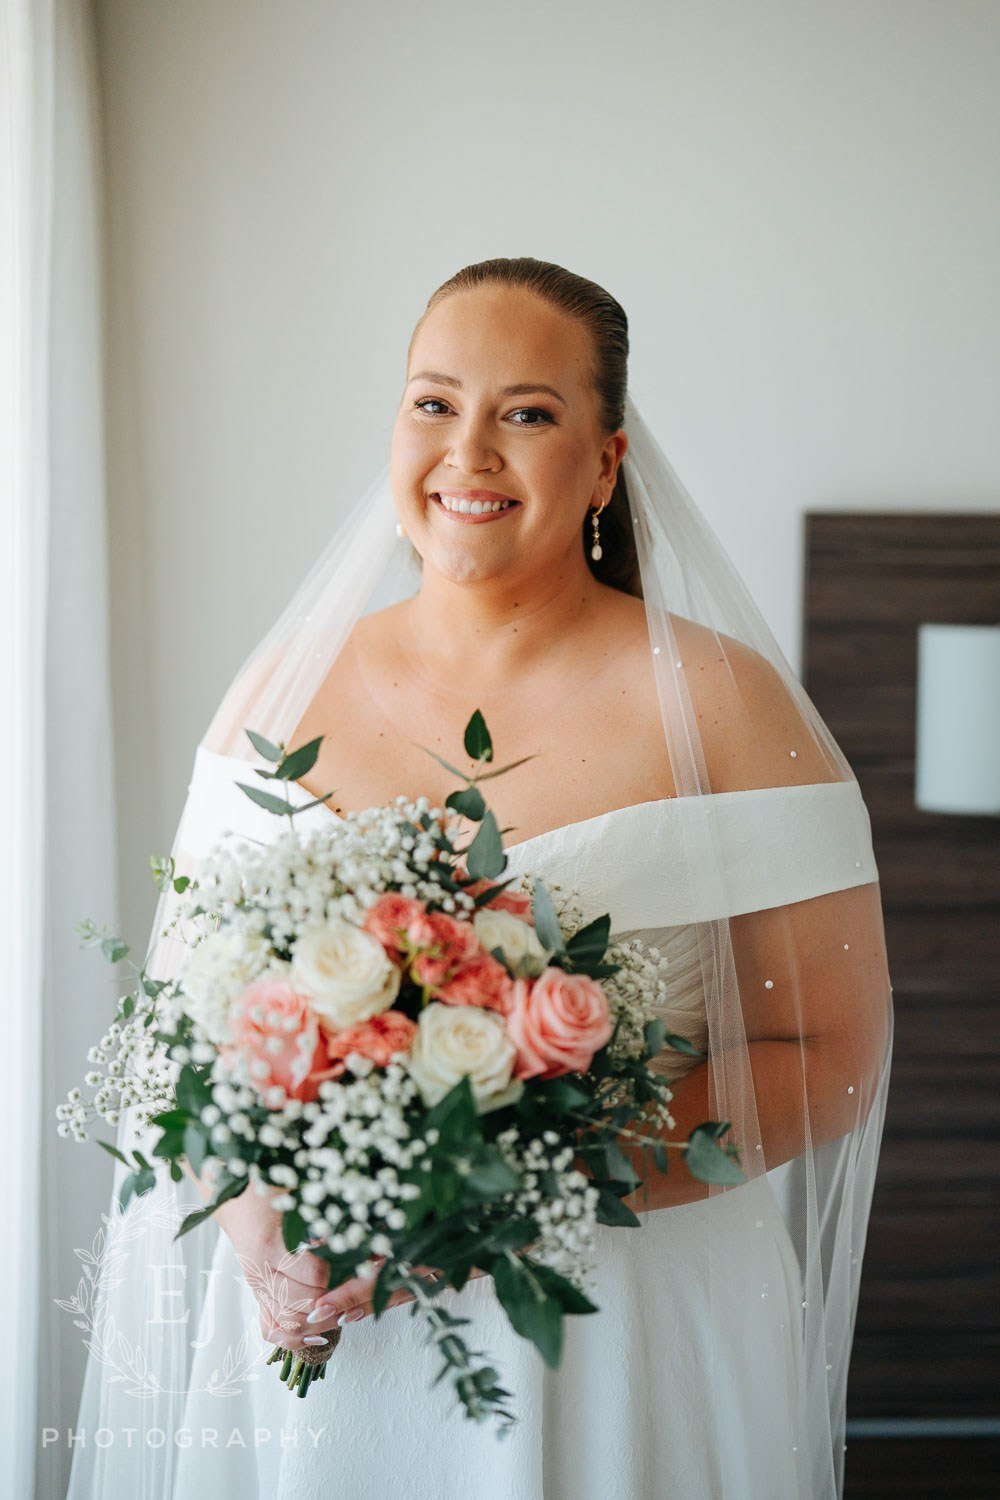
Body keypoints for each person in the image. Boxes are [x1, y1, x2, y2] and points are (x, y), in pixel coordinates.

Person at [67, 257, 892, 1500]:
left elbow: (828, 1050)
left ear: (605, 462)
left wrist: (516, 1192)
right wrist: (250, 1217)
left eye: (528, 412)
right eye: (433, 402)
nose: (470, 451)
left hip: (620, 1326)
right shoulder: (278, 695)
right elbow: (183, 1031)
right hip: (325, 1329)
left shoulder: (716, 706)